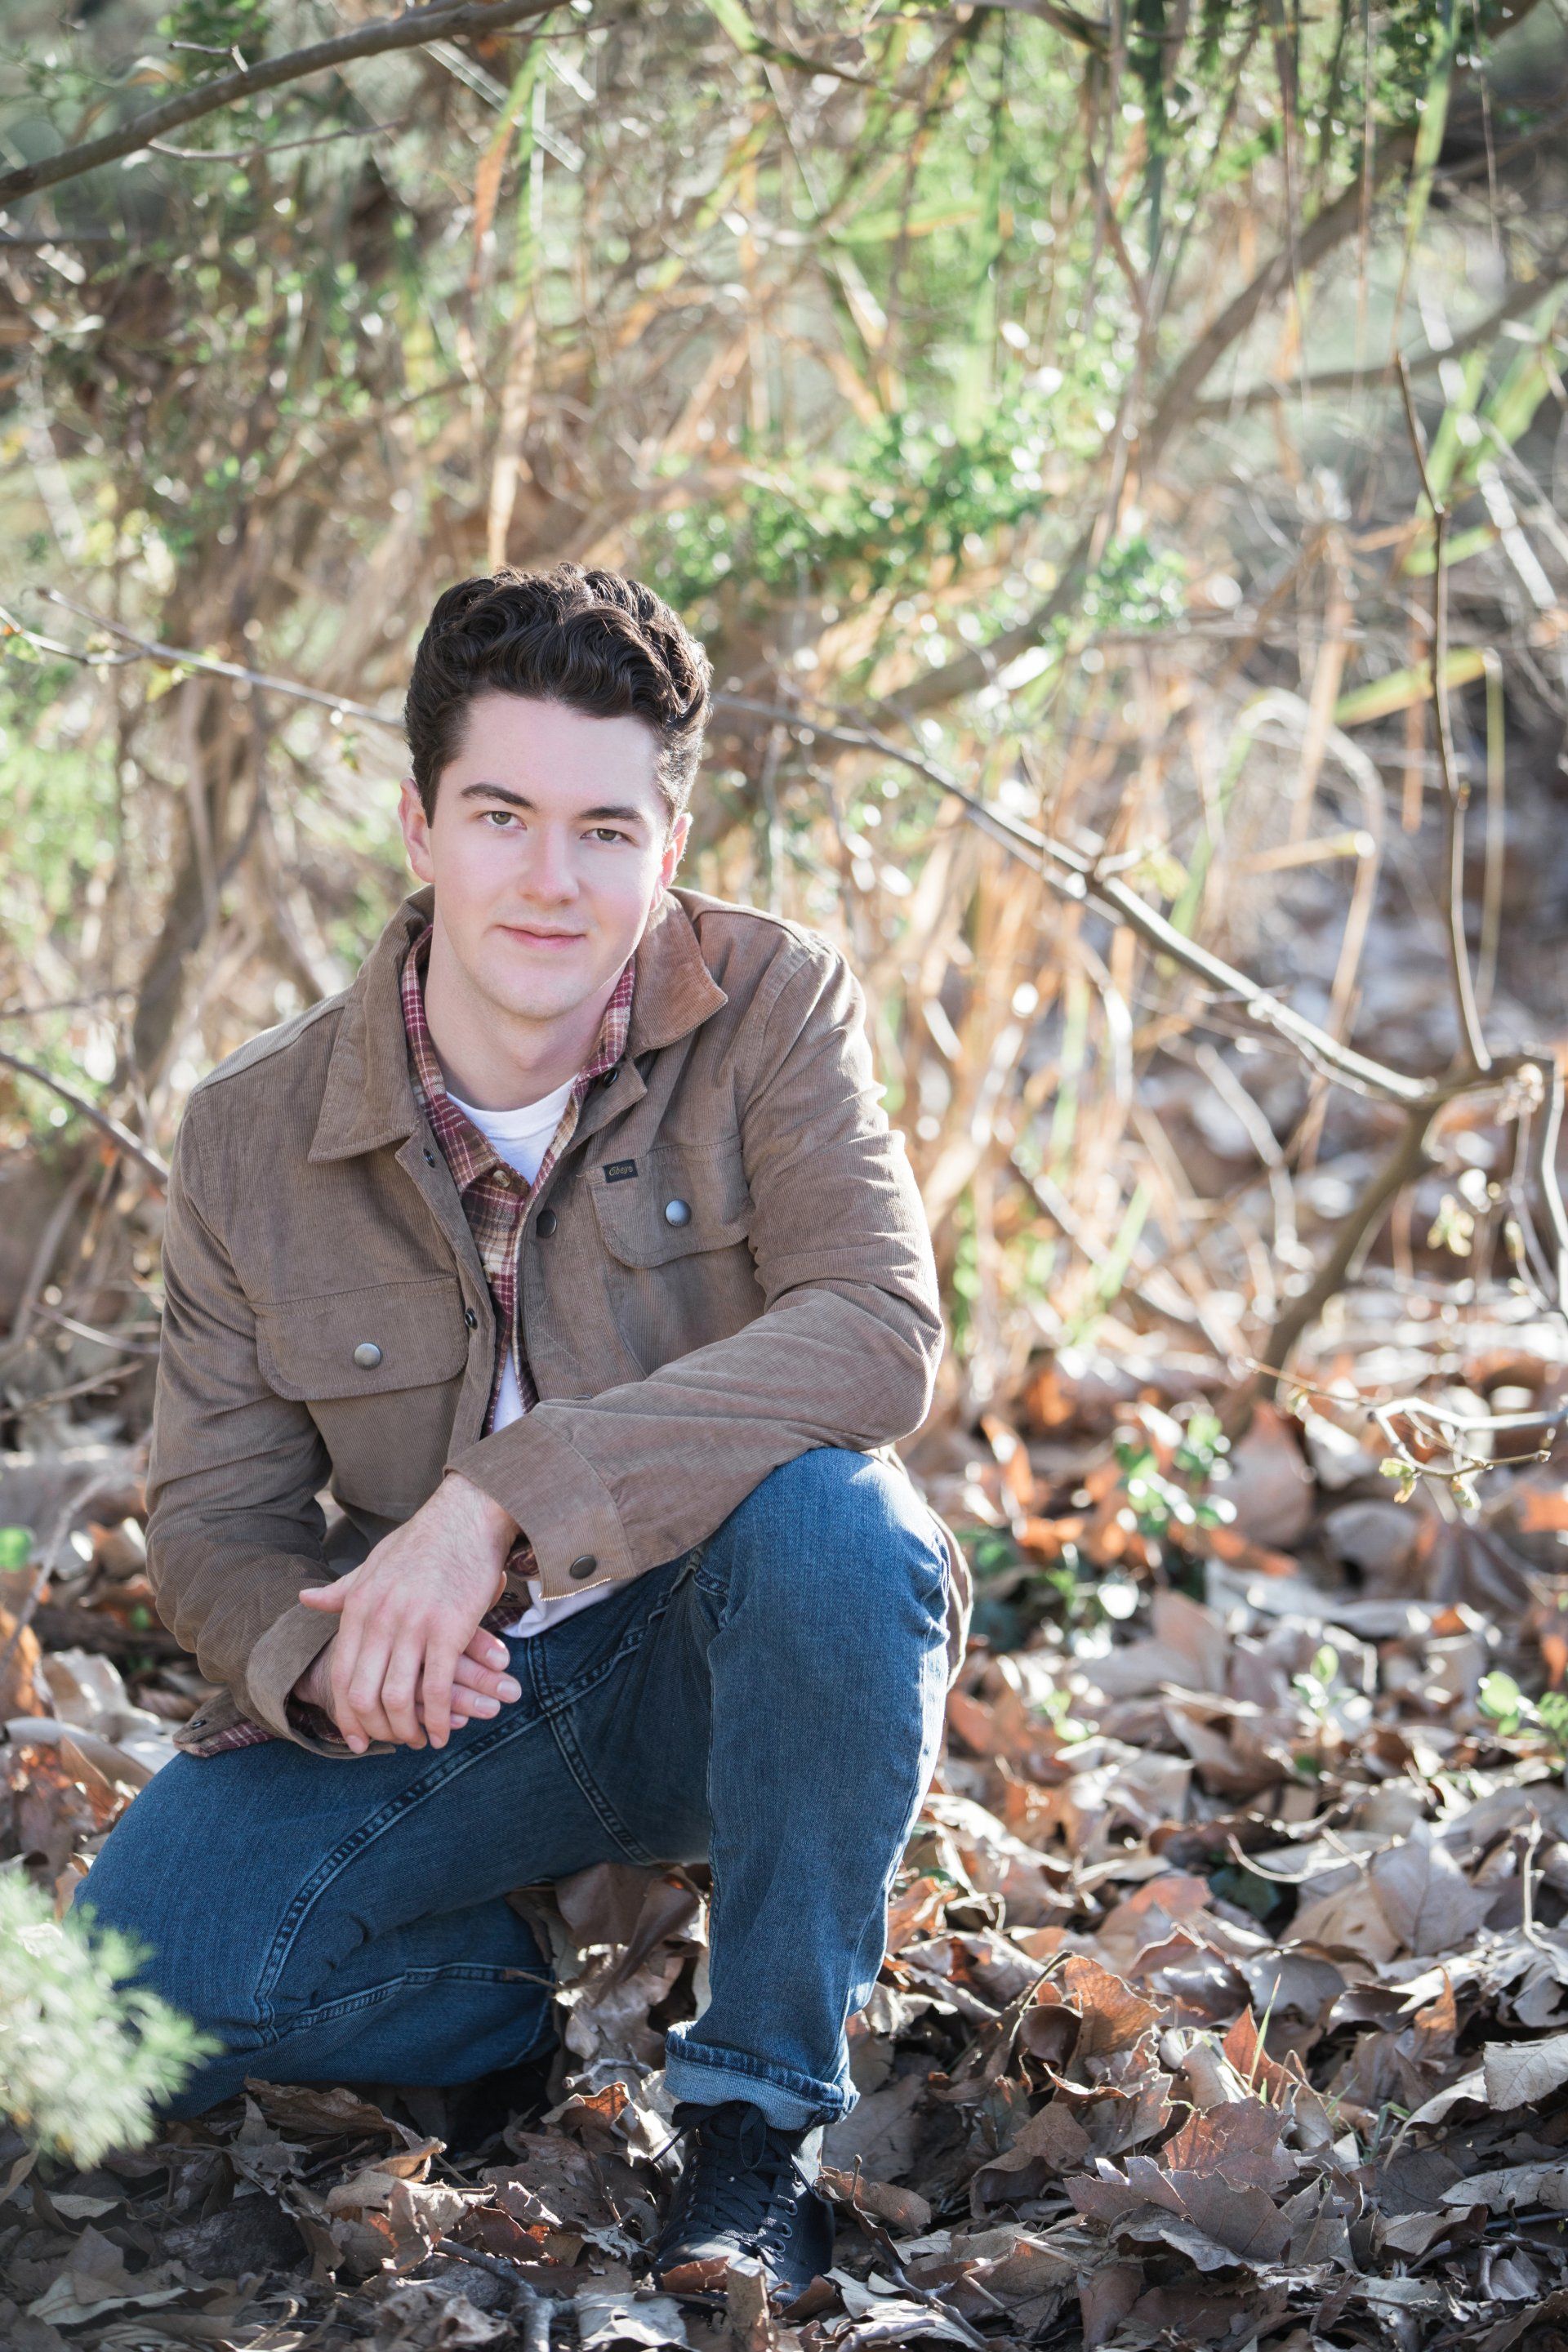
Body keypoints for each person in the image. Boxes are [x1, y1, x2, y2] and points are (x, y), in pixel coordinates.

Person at [80, 563, 971, 2301]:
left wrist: (501, 1497)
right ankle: (489, 2013)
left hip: (730, 1651)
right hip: (450, 1706)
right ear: (417, 822)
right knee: (133, 1991)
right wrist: (318, 1665)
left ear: (668, 836)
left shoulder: (773, 1003)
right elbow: (210, 1520)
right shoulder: (251, 1132)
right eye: (501, 815)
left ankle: (753, 2130)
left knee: (845, 1535)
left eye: (604, 829)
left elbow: (877, 1334)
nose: (552, 881)